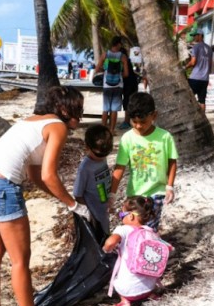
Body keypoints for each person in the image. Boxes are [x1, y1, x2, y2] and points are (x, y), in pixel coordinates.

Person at [0, 86, 89, 306]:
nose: (80, 116)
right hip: (1, 184)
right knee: (20, 260)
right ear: (65, 109)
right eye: (78, 109)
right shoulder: (56, 126)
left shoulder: (31, 122)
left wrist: (61, 199)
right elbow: (48, 174)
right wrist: (73, 205)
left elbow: (36, 176)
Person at [109, 92, 178, 231]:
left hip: (157, 192)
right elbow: (120, 167)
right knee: (132, 226)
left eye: (143, 122)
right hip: (134, 193)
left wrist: (169, 186)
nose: (139, 126)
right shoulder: (127, 138)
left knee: (149, 228)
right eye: (134, 122)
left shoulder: (165, 137)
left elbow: (172, 162)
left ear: (154, 115)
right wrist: (112, 194)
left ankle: (152, 248)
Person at [102, 196, 160, 306]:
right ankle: (150, 295)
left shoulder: (124, 229)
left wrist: (106, 249)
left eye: (122, 215)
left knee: (118, 278)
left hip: (128, 291)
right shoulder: (151, 231)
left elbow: (110, 242)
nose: (121, 218)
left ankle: (125, 303)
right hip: (150, 286)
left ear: (131, 216)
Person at [73, 124, 113, 236]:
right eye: (98, 154)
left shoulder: (102, 158)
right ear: (87, 147)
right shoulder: (85, 168)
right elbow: (77, 194)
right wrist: (86, 213)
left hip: (104, 208)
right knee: (98, 239)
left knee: (106, 234)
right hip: (93, 214)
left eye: (105, 153)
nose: (102, 157)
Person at [94, 36, 128, 134]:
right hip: (118, 85)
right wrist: (119, 74)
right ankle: (112, 130)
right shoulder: (123, 57)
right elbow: (126, 74)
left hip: (107, 85)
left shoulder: (105, 55)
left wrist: (105, 71)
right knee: (114, 110)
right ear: (119, 44)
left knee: (105, 109)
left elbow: (96, 69)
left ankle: (103, 129)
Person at [185, 28, 212, 112]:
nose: (194, 37)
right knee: (202, 101)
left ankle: (190, 115)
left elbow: (193, 62)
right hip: (205, 79)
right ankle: (203, 118)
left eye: (195, 35)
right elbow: (210, 64)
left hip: (195, 78)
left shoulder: (196, 47)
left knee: (188, 98)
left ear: (200, 35)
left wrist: (184, 67)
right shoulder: (209, 48)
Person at [119, 47, 139, 129]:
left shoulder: (124, 61)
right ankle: (129, 121)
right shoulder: (127, 60)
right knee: (129, 102)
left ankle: (127, 121)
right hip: (132, 83)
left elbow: (126, 74)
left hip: (129, 84)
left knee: (127, 102)